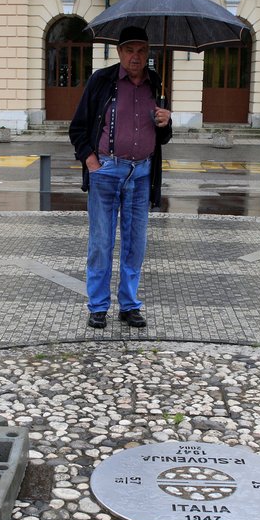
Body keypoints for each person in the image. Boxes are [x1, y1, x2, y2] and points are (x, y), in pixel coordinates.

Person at [69, 25, 172, 329]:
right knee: (101, 241)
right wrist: (90, 161)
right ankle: (98, 306)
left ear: (148, 53)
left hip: (142, 174)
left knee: (134, 243)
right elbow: (78, 127)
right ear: (119, 52)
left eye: (141, 50)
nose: (135, 57)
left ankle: (129, 304)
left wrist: (166, 123)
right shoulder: (102, 81)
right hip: (106, 172)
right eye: (130, 50)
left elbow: (164, 137)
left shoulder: (156, 82)